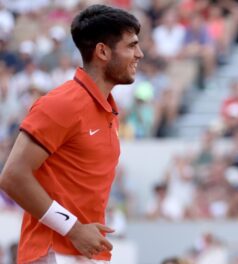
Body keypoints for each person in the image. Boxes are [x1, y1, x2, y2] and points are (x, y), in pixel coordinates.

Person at [0, 4, 143, 263]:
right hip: (52, 253)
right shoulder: (62, 103)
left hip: (85, 254)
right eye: (131, 46)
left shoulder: (108, 109)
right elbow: (12, 176)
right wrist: (73, 229)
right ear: (102, 51)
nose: (140, 54)